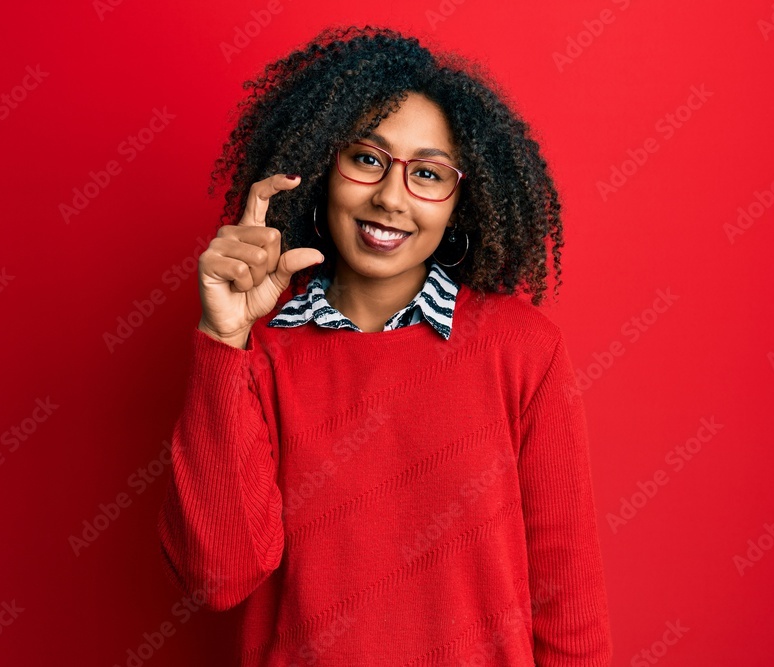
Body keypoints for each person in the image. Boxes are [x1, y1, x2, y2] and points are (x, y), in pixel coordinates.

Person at [157, 25, 613, 666]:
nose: (391, 198)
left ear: (463, 201)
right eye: (368, 159)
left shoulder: (523, 351)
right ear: (323, 167)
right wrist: (222, 340)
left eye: (427, 173)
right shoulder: (257, 348)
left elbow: (569, 606)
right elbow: (218, 577)